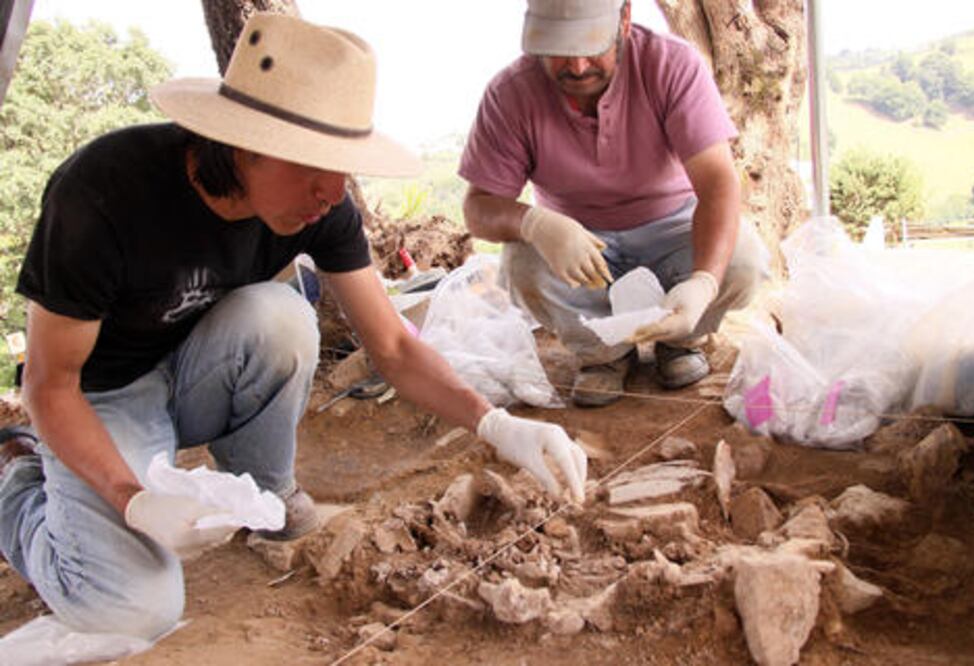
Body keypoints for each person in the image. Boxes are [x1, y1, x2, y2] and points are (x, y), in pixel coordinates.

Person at [0, 13, 586, 640]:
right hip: (103, 396)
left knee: (281, 317)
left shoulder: (320, 205)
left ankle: (268, 499)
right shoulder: (105, 195)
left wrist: (495, 423)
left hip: (197, 374)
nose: (333, 192)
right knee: (131, 609)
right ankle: (15, 480)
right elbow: (49, 385)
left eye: (344, 166)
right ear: (245, 142)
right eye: (317, 165)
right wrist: (129, 497)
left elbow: (390, 344)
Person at [460, 0, 769, 407]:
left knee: (742, 258)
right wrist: (536, 224)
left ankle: (681, 339)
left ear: (624, 20)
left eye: (591, 45)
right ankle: (602, 354)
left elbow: (718, 183)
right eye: (559, 50)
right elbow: (478, 208)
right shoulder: (510, 93)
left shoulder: (671, 64)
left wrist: (704, 282)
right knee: (522, 263)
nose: (578, 66)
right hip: (577, 241)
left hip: (672, 225)